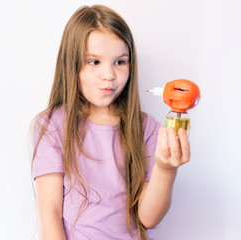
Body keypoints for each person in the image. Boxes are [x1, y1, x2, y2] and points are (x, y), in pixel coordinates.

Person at [32, 4, 190, 240]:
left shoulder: (146, 128)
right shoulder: (53, 127)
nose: (109, 74)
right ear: (71, 64)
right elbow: (50, 216)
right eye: (94, 62)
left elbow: (148, 218)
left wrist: (166, 169)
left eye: (120, 62)